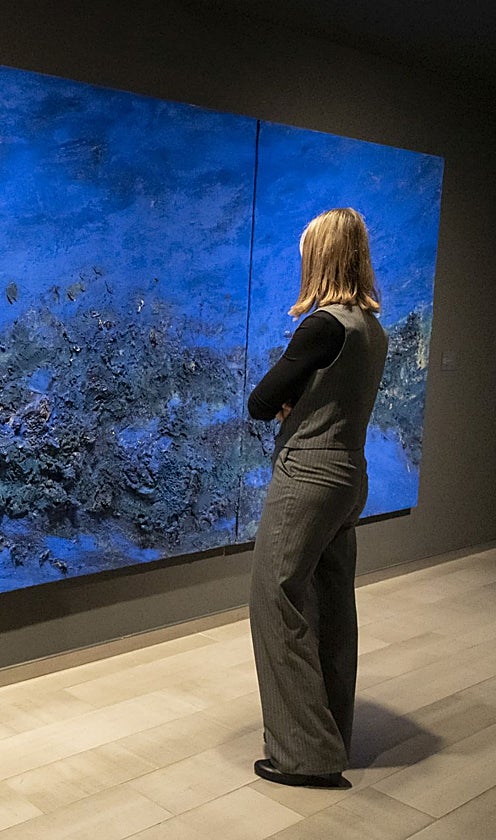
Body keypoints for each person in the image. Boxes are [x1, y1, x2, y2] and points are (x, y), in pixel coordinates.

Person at [246, 207, 389, 789]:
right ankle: (333, 734)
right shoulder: (369, 328)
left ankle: (303, 753)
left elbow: (261, 401)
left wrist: (287, 401)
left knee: (275, 602)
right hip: (349, 475)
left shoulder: (322, 325)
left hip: (307, 475)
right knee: (331, 605)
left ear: (321, 257)